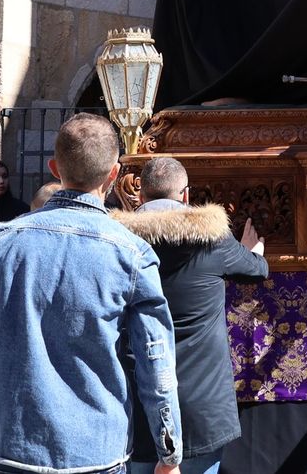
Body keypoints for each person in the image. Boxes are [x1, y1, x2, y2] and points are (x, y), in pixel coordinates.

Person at [0, 115, 183, 474]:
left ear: (55, 169)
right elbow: (156, 359)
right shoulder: (132, 253)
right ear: (114, 174)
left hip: (12, 444)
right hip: (96, 448)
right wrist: (169, 450)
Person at [118, 157, 270, 474]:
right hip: (200, 406)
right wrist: (249, 251)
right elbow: (257, 269)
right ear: (186, 195)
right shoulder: (213, 239)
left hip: (140, 402)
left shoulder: (120, 241)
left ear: (140, 196)